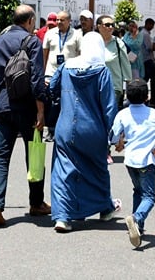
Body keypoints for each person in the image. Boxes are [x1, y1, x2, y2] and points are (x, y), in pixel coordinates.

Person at [48, 32, 120, 232]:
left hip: (65, 127)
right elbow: (109, 107)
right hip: (93, 130)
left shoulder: (65, 67)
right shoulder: (102, 71)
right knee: (97, 169)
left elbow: (52, 88)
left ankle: (62, 217)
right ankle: (105, 208)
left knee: (63, 171)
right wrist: (114, 135)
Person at [0, 5, 50, 227]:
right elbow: (37, 79)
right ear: (30, 20)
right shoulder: (32, 41)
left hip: (2, 105)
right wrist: (41, 110)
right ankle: (36, 203)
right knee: (34, 154)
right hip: (27, 107)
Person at [110, 79, 155, 247]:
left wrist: (119, 144)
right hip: (146, 161)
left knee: (138, 191)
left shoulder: (123, 114)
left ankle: (138, 227)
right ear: (147, 97)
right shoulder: (153, 114)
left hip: (130, 160)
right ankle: (136, 218)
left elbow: (113, 135)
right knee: (149, 196)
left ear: (127, 96)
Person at [42, 10, 81, 141]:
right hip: (51, 73)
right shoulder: (50, 34)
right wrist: (42, 73)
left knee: (66, 102)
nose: (59, 22)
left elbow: (80, 54)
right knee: (51, 102)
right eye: (57, 20)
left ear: (69, 21)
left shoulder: (77, 35)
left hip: (69, 73)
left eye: (62, 20)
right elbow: (44, 54)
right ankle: (51, 130)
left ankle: (65, 130)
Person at [96, 14, 132, 109]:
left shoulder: (118, 43)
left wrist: (129, 83)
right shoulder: (92, 42)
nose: (111, 27)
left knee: (109, 113)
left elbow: (125, 64)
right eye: (107, 25)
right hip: (94, 86)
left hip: (113, 86)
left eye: (112, 25)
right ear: (99, 26)